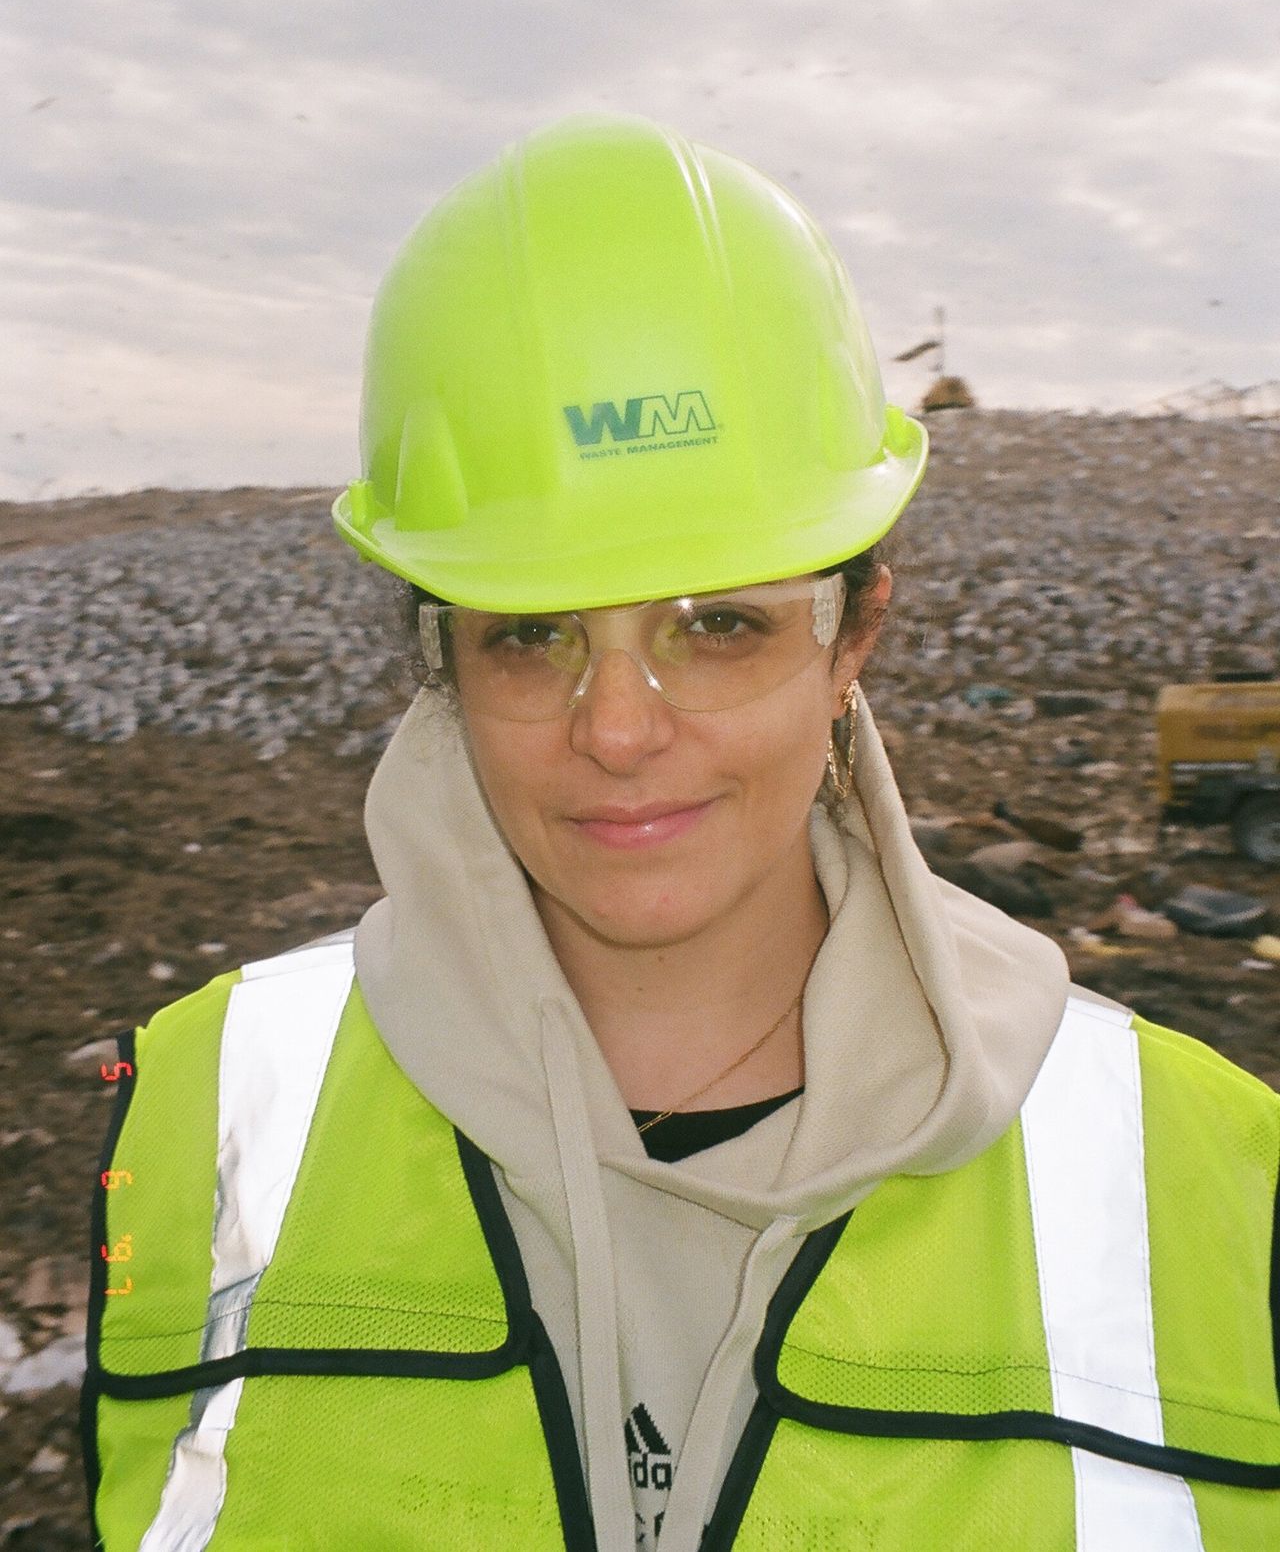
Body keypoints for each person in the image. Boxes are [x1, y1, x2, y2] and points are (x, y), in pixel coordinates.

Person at [83, 116, 1279, 1550]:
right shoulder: (208, 1116)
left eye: (717, 626)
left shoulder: (1207, 1176)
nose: (620, 729)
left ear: (855, 640)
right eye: (532, 634)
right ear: (439, 661)